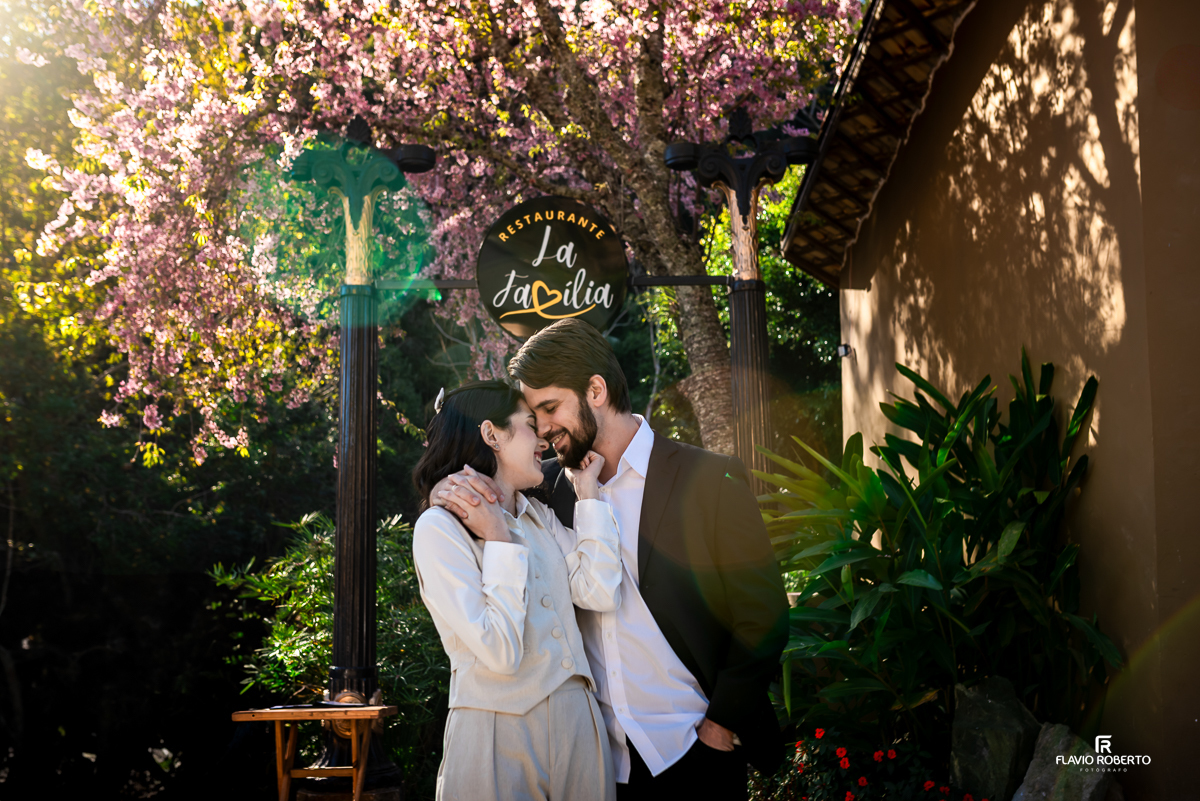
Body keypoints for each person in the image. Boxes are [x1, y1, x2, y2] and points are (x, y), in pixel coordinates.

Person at [433, 320, 789, 800]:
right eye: (533, 416)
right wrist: (442, 488)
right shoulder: (547, 493)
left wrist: (720, 726)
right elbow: (484, 496)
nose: (542, 428)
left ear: (596, 390)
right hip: (593, 764)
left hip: (693, 752)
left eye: (550, 407)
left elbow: (762, 614)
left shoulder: (708, 479)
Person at [412, 380, 623, 801]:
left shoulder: (538, 517)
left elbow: (599, 593)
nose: (543, 436)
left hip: (580, 730)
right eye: (530, 424)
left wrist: (589, 495)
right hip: (496, 735)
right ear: (491, 435)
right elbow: (499, 651)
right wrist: (498, 540)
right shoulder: (439, 529)